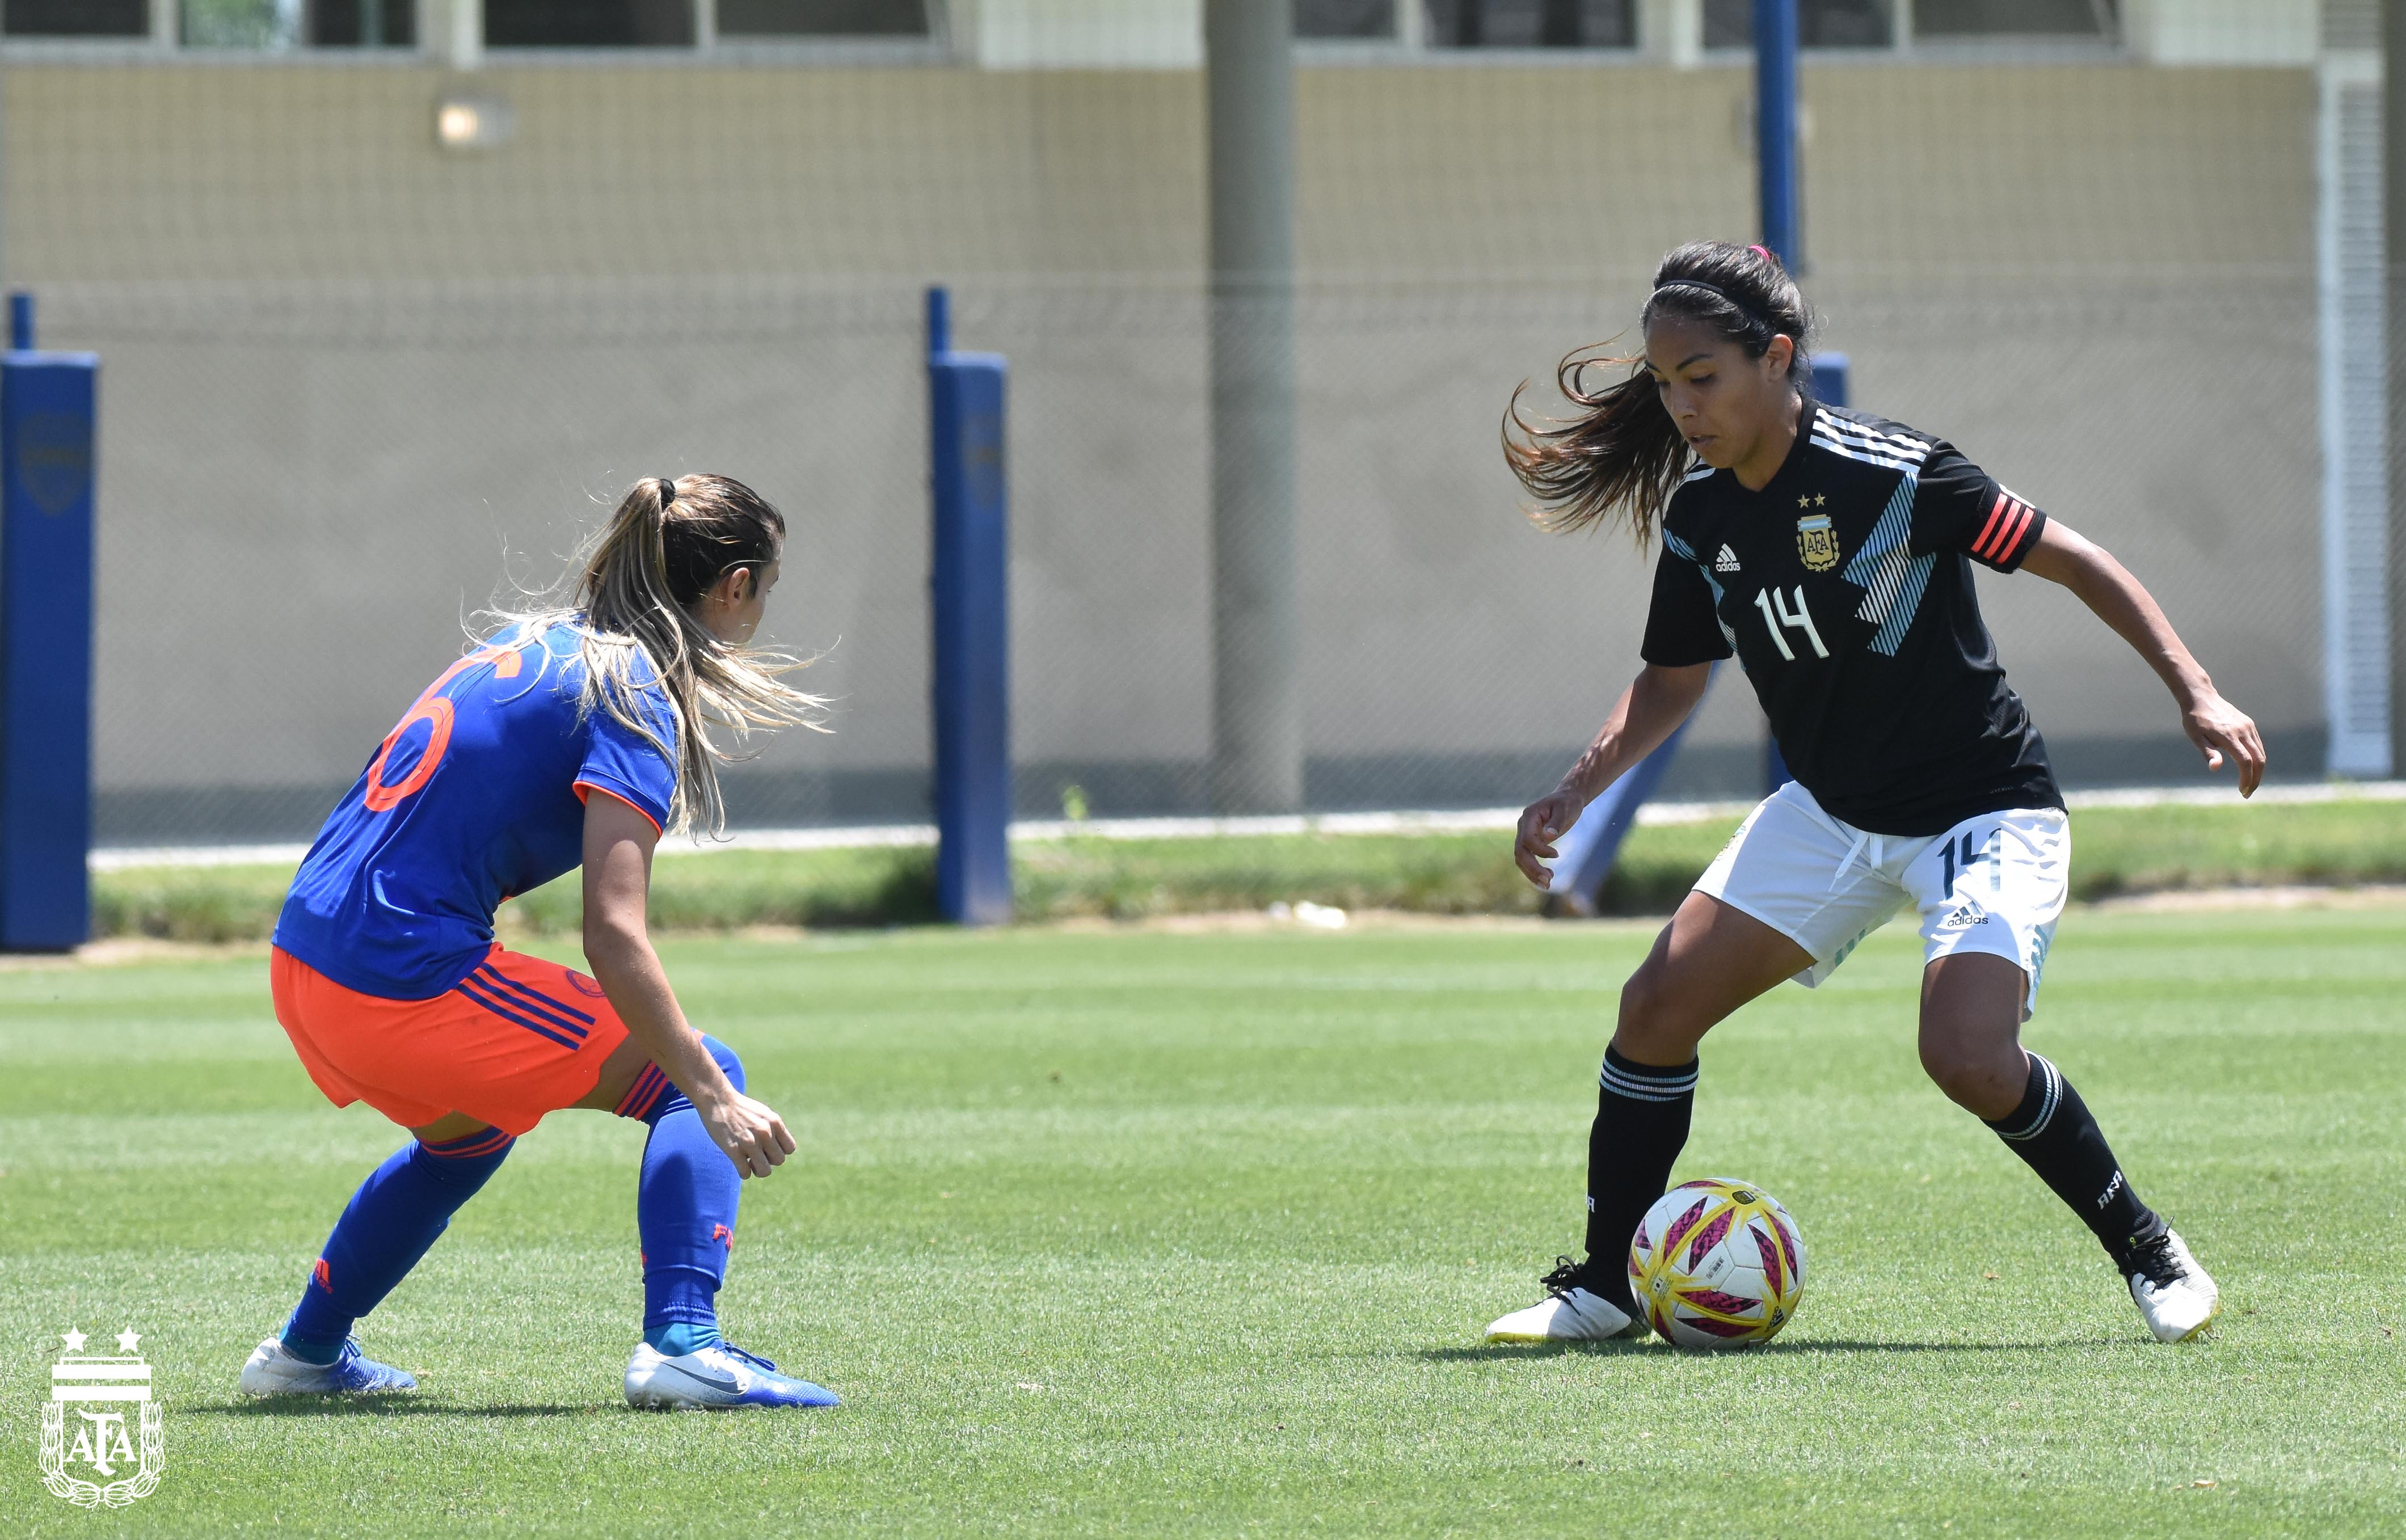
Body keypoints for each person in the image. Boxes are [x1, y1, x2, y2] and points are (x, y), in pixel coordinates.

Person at [1482, 241, 2260, 1347]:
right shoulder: (1704, 519)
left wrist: (2198, 692)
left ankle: (2147, 1244)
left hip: (1984, 806)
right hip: (1835, 813)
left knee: (1967, 1055)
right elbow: (1670, 680)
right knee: (1652, 1011)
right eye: (1665, 382)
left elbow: (2076, 558)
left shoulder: (1897, 477)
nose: (1680, 404)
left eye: (1701, 376)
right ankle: (1606, 1286)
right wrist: (1575, 790)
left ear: (1778, 357)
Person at [240, 474, 840, 1408]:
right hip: (395, 973)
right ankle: (685, 1346)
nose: (763, 605)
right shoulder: (632, 688)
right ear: (731, 585)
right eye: (766, 584)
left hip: (301, 956)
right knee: (692, 1076)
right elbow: (612, 929)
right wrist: (714, 1096)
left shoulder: (526, 645)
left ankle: (305, 1354)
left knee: (467, 1136)